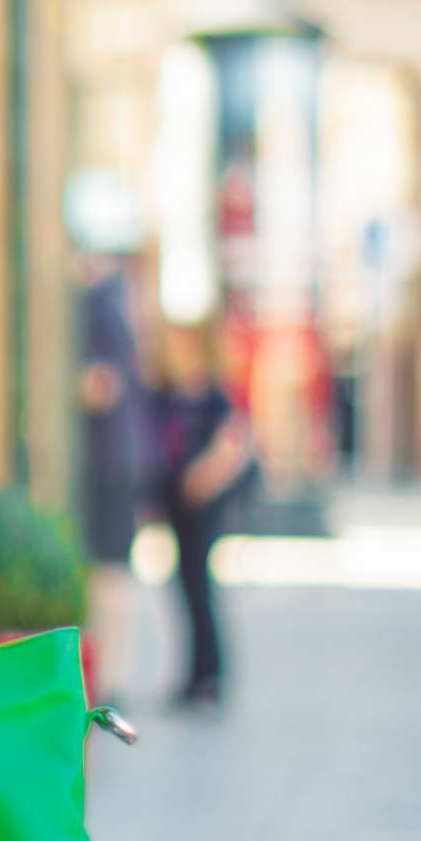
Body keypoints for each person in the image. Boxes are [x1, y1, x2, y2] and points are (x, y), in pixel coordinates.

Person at [151, 319, 249, 707]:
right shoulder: (169, 393)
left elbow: (234, 445)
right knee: (185, 588)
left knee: (200, 588)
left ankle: (210, 676)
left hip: (204, 506)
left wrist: (203, 478)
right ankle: (193, 676)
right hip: (178, 506)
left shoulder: (215, 397)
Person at [74, 252, 146, 707]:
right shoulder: (113, 304)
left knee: (108, 573)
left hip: (106, 463)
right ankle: (111, 676)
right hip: (119, 460)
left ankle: (110, 679)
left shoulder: (94, 306)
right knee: (113, 573)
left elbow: (101, 385)